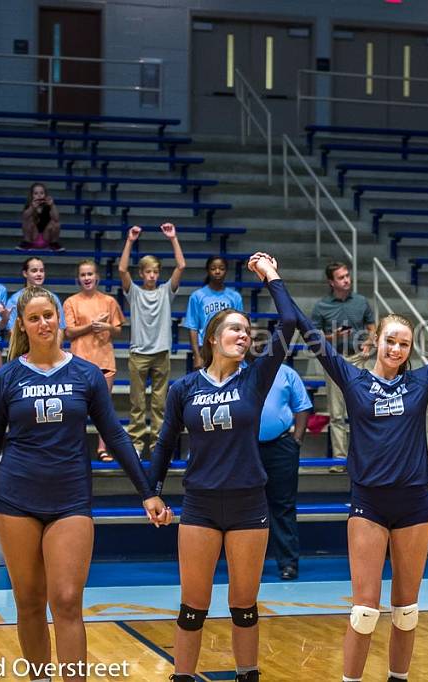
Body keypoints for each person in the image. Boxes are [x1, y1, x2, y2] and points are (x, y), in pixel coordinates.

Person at [0, 286, 171, 682]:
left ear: (60, 318)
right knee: (29, 602)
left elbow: (117, 435)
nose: (43, 323)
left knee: (68, 601)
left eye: (49, 315)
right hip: (16, 501)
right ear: (22, 325)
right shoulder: (3, 379)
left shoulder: (86, 374)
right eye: (34, 318)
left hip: (70, 500)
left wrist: (149, 491)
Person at [296, 274, 428, 682]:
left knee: (406, 611)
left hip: (413, 505)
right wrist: (274, 280)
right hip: (369, 503)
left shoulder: (419, 382)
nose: (396, 348)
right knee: (365, 610)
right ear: (376, 341)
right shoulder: (352, 379)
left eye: (404, 344)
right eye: (390, 340)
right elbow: (307, 332)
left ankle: (398, 678)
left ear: (409, 350)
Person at [148, 253, 296, 682]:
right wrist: (151, 490)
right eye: (236, 329)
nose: (245, 336)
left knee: (244, 607)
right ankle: (182, 677)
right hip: (200, 505)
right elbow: (165, 443)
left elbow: (287, 325)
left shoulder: (256, 377)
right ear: (213, 337)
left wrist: (272, 276)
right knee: (192, 607)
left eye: (248, 332)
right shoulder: (184, 388)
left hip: (250, 504)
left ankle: (248, 675)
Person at [119, 223, 186, 456]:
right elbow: (121, 269)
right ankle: (137, 444)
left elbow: (181, 265)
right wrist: (130, 241)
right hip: (138, 353)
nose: (152, 276)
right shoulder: (134, 293)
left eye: (156, 272)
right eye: (148, 272)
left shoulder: (166, 291)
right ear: (141, 273)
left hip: (161, 353)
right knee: (137, 403)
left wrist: (173, 238)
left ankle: (157, 443)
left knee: (160, 404)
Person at [310, 261, 375, 473]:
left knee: (364, 410)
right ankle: (340, 460)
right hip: (335, 360)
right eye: (341, 277)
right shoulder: (321, 307)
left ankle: (364, 458)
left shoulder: (361, 301)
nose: (347, 280)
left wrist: (369, 343)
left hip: (358, 359)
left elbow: (372, 327)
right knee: (337, 414)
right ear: (331, 282)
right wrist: (334, 335)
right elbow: (315, 338)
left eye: (347, 275)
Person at [63, 259, 124, 462]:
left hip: (104, 359)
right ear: (77, 278)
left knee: (103, 407)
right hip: (79, 360)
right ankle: (76, 446)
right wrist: (92, 325)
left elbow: (118, 329)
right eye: (83, 275)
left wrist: (106, 328)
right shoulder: (71, 302)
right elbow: (69, 332)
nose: (87, 278)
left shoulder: (109, 301)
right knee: (76, 406)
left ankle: (102, 447)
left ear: (97, 276)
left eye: (90, 274)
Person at [258, 361, 312, 580]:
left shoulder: (287, 373)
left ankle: (288, 563)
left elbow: (302, 406)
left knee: (283, 505)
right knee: (245, 508)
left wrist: (296, 440)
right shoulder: (238, 372)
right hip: (245, 448)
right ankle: (247, 563)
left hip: (281, 447)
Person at [184, 255, 245, 370]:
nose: (217, 272)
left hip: (229, 346)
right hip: (206, 348)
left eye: (221, 268)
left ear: (226, 271)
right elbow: (193, 328)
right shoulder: (197, 296)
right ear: (208, 270)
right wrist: (197, 355)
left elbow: (241, 326)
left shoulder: (235, 297)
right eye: (213, 268)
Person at [5, 256, 66, 337]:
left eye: (41, 271)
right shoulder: (14, 300)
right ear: (25, 273)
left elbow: (60, 329)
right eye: (34, 271)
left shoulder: (53, 298)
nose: (39, 274)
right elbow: (12, 331)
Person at [19, 182, 63, 252]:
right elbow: (24, 218)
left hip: (46, 237)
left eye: (41, 193)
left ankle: (54, 243)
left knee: (55, 222)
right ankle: (27, 242)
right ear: (32, 195)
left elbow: (56, 219)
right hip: (33, 237)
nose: (39, 195)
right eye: (36, 193)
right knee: (28, 219)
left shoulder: (49, 206)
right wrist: (32, 208)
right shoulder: (30, 206)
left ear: (45, 195)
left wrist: (52, 205)